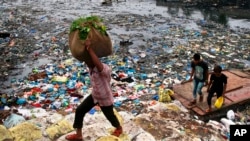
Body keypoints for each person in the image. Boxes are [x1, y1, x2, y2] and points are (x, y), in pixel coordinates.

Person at [65, 40, 123, 141]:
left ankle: (119, 128)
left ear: (93, 59)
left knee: (110, 116)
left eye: (88, 61)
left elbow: (98, 64)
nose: (86, 63)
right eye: (86, 61)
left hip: (105, 98)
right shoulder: (91, 69)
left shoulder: (104, 68)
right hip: (95, 96)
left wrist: (90, 49)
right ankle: (78, 135)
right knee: (79, 110)